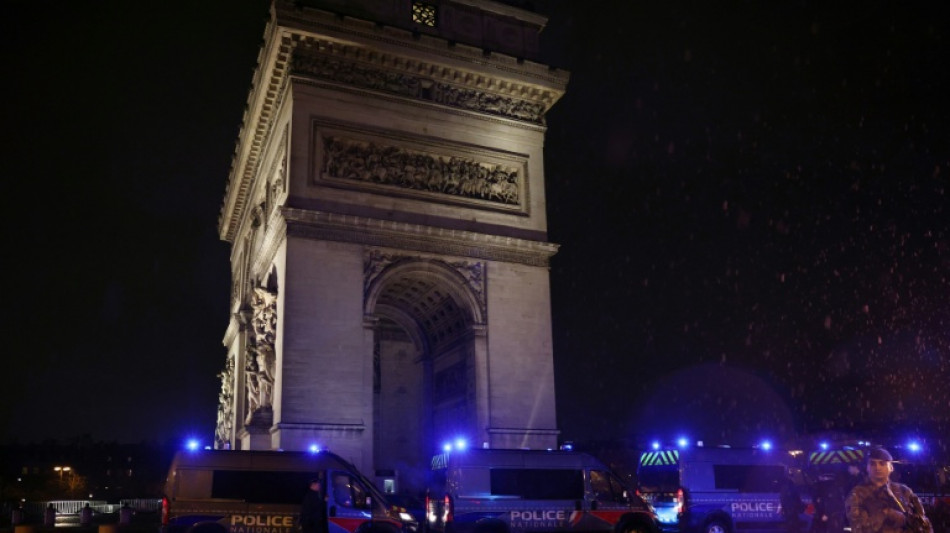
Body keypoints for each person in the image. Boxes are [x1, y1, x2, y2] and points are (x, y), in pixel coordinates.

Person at [845, 447, 933, 533]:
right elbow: (859, 528)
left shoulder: (904, 491)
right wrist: (885, 514)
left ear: (891, 467)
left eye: (882, 463)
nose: (877, 467)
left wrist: (908, 520)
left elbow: (923, 523)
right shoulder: (857, 494)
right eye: (872, 464)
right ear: (867, 468)